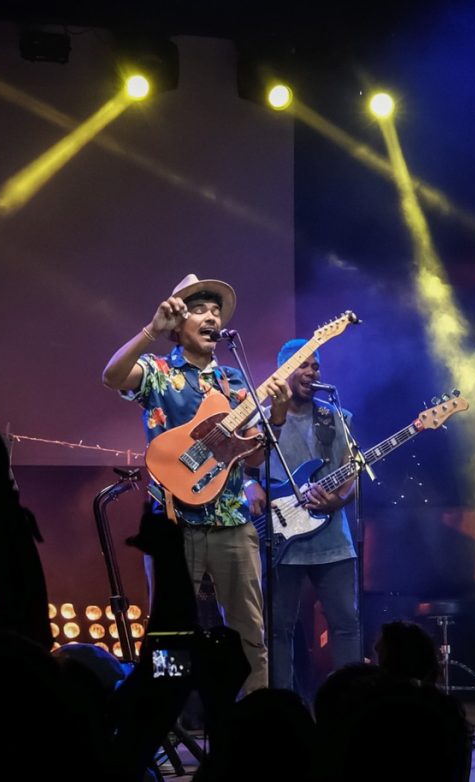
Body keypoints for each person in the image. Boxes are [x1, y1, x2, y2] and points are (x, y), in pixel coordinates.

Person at [102, 274, 270, 693]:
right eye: (200, 310)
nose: (212, 317)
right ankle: (165, 716)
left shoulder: (235, 381)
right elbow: (112, 376)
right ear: (178, 324)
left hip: (232, 521)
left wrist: (278, 418)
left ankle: (253, 715)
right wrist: (150, 330)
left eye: (216, 311)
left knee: (249, 630)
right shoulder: (158, 372)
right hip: (174, 524)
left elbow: (256, 456)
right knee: (169, 633)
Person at [254, 338, 360, 695]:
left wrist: (337, 501)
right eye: (303, 364)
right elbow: (242, 472)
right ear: (283, 370)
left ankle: (351, 702)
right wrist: (250, 488)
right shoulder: (261, 420)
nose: (312, 371)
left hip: (333, 541)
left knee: (346, 625)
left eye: (315, 365)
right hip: (280, 541)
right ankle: (280, 706)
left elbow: (351, 473)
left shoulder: (335, 417)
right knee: (278, 630)